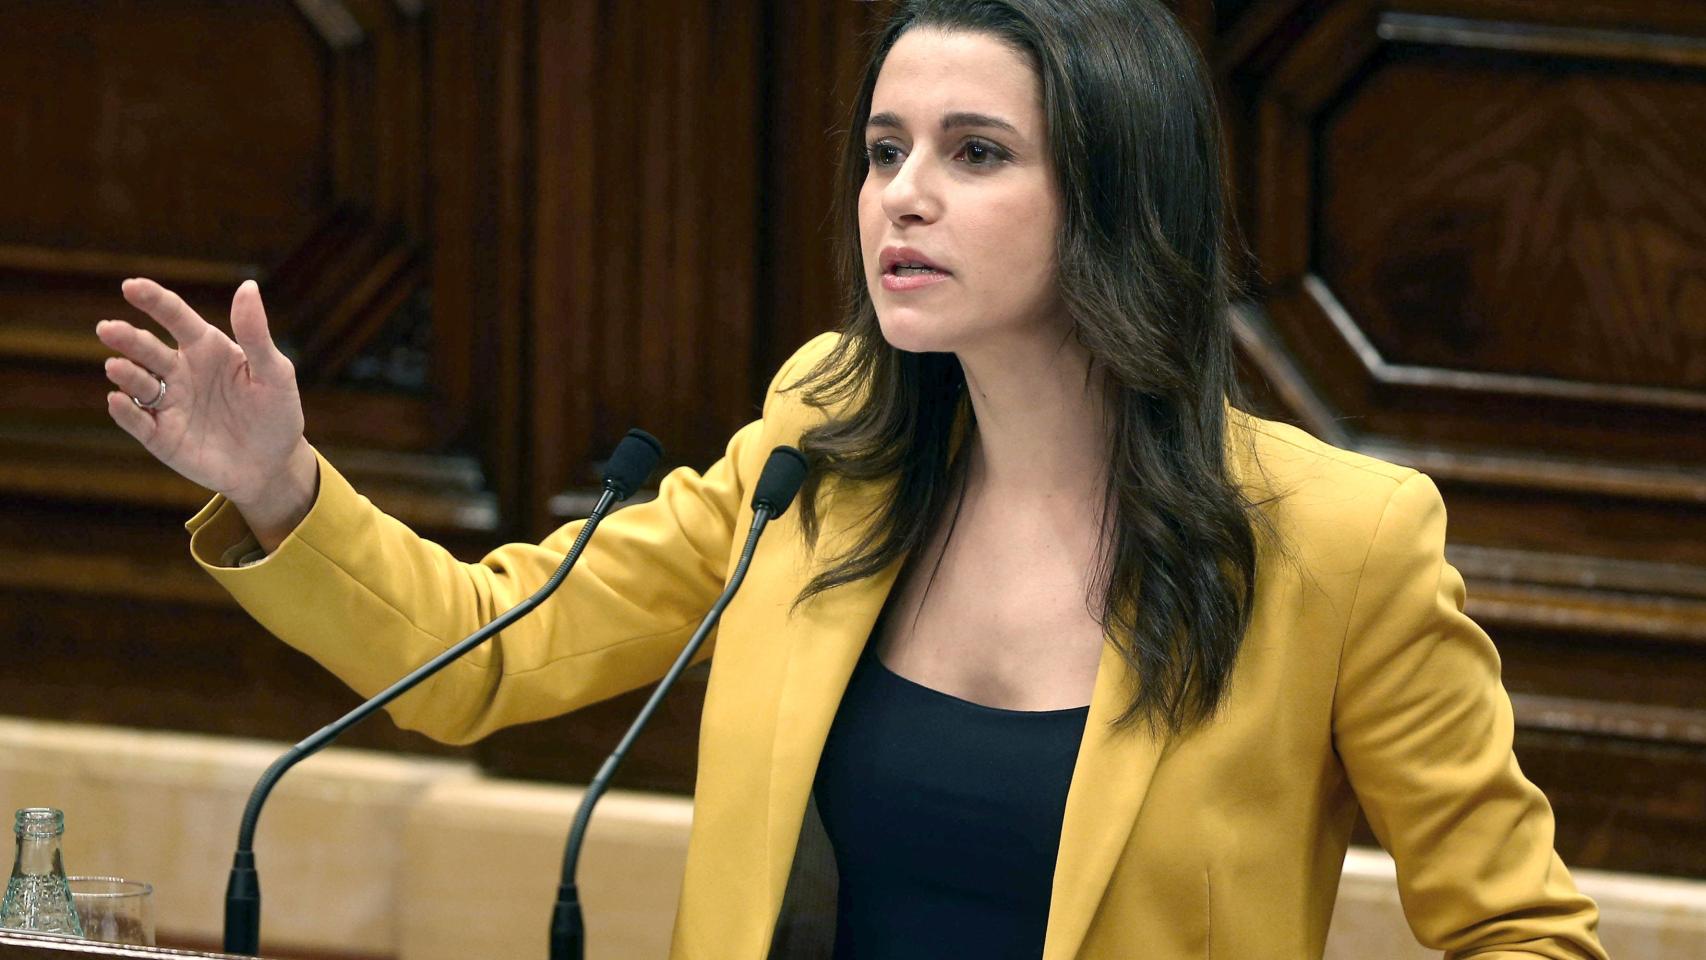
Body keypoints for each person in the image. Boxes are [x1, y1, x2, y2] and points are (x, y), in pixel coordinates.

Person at [94, 0, 1608, 957]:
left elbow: (1523, 934)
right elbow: (485, 657)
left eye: (975, 152)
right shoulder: (819, 456)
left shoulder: (1337, 542)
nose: (903, 196)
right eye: (885, 150)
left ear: (1114, 198)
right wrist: (281, 485)